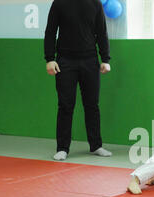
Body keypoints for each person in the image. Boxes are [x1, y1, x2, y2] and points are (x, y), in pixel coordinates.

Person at [44, 0, 113, 161]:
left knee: (92, 105)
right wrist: (49, 58)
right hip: (65, 61)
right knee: (65, 105)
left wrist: (105, 59)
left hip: (90, 60)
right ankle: (62, 148)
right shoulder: (59, 3)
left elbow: (102, 31)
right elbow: (50, 31)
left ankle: (96, 145)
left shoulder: (95, 3)